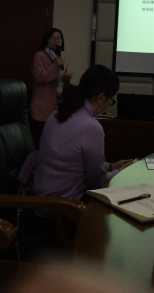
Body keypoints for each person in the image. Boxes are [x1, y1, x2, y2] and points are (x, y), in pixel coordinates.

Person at [32, 65, 133, 202]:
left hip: (41, 203)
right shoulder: (91, 128)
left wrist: (112, 166)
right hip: (65, 208)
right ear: (101, 98)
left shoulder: (57, 113)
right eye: (111, 101)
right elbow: (97, 183)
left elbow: (71, 164)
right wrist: (121, 172)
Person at [29, 28, 73, 147]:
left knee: (53, 140)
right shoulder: (40, 56)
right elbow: (39, 77)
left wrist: (67, 79)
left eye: (58, 38)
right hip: (42, 105)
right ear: (46, 41)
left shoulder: (63, 57)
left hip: (57, 103)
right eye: (52, 38)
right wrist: (55, 65)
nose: (56, 40)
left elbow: (62, 79)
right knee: (40, 140)